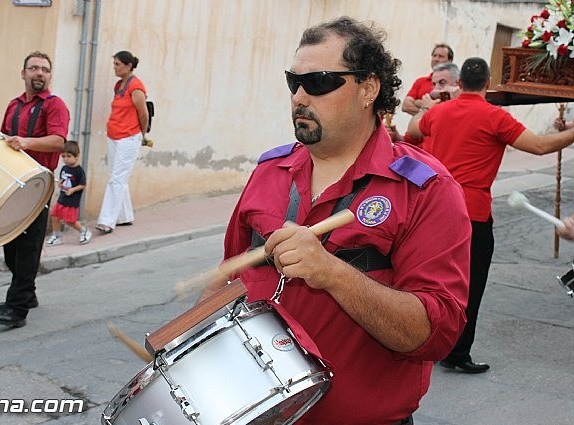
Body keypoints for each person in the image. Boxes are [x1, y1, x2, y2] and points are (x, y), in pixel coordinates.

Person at [201, 17, 472, 424]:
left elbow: (435, 333)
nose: (300, 97)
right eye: (294, 81)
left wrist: (332, 272)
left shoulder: (425, 189)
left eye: (320, 82)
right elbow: (229, 280)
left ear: (368, 88)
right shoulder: (269, 171)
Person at [408, 57, 574, 373]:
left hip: (433, 211)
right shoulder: (494, 116)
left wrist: (434, 106)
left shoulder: (440, 112)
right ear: (488, 83)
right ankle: (456, 353)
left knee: (430, 280)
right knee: (470, 287)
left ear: (461, 83)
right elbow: (539, 147)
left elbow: (414, 128)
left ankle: (423, 342)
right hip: (472, 214)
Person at [0, 51, 70, 328]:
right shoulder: (14, 105)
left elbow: (59, 141)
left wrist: (26, 142)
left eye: (45, 69)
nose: (39, 73)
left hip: (37, 188)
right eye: (33, 68)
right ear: (23, 73)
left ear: (49, 75)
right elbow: (3, 139)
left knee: (29, 248)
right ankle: (28, 294)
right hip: (12, 186)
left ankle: (17, 307)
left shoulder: (55, 105)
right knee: (10, 245)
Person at [95, 50, 150, 234]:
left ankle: (106, 221)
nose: (115, 68)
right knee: (117, 176)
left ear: (128, 66)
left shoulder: (136, 87)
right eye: (114, 64)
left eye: (118, 64)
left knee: (116, 179)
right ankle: (124, 216)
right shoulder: (119, 85)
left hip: (129, 137)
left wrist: (141, 135)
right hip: (114, 135)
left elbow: (143, 114)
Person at [405, 62, 460, 150]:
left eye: (442, 83)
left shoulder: (459, 108)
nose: (436, 89)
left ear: (457, 84)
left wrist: (425, 108)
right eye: (434, 84)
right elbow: (410, 138)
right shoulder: (434, 108)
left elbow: (412, 131)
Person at [46, 140, 91, 246]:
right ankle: (57, 236)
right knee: (54, 216)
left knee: (70, 221)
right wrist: (60, 184)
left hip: (72, 200)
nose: (65, 159)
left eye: (69, 156)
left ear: (77, 156)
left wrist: (72, 190)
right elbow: (63, 180)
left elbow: (83, 185)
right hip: (62, 198)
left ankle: (84, 231)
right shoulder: (64, 168)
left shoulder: (79, 171)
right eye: (63, 156)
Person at [401, 43, 453, 116]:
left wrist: (418, 102)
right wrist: (425, 111)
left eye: (440, 56)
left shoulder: (455, 82)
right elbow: (405, 106)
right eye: (434, 56)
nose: (436, 59)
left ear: (449, 60)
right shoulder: (420, 81)